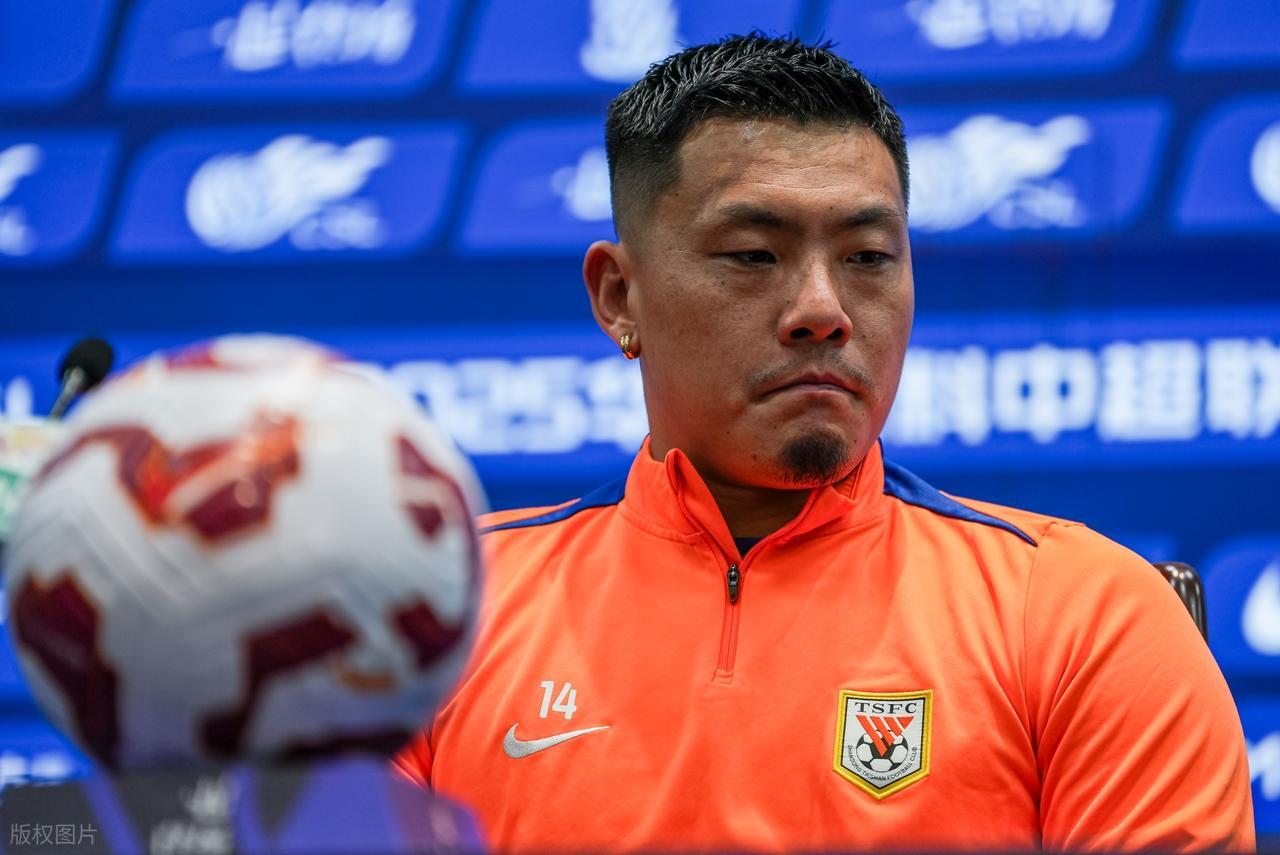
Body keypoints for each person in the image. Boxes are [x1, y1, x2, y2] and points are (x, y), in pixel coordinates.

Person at [396, 34, 1255, 851]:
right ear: (620, 296)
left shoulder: (1083, 614)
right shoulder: (431, 619)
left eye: (868, 256)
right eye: (753, 254)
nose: (822, 309)